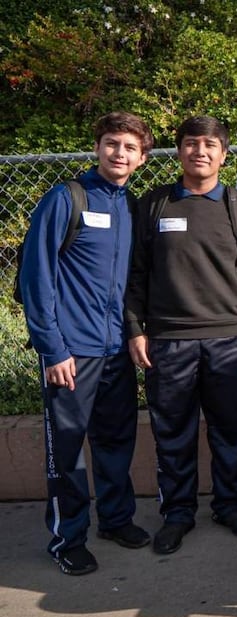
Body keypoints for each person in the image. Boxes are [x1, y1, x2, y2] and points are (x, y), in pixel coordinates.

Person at [124, 115, 237, 555]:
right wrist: (135, 329)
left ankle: (229, 505)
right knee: (173, 432)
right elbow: (136, 275)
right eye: (191, 143)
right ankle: (178, 513)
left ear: (223, 155)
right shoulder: (154, 204)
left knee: (231, 429)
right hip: (168, 341)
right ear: (180, 150)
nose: (199, 152)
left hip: (229, 341)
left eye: (209, 145)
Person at [20, 112, 154, 575]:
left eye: (130, 148)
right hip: (71, 352)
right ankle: (67, 538)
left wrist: (135, 333)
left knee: (116, 441)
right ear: (97, 147)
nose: (120, 153)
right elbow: (36, 278)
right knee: (69, 449)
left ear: (142, 158)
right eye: (113, 143)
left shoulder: (131, 206)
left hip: (117, 349)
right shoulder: (66, 198)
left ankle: (116, 520)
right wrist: (52, 349)